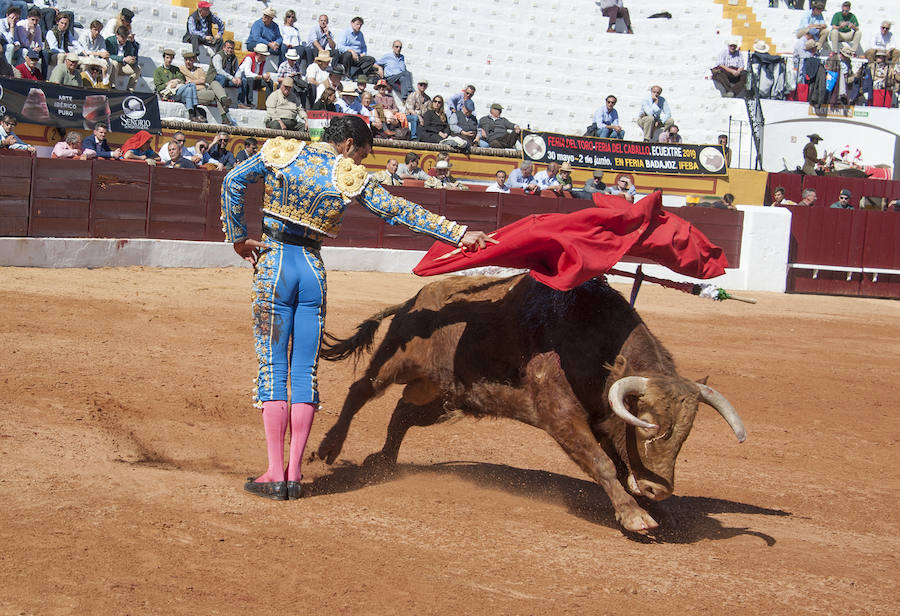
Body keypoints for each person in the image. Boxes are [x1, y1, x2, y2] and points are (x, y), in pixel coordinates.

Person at [221, 115, 492, 500]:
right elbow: (399, 210)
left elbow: (233, 182)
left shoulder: (282, 152)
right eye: (362, 154)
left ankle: (273, 473)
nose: (361, 163)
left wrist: (238, 239)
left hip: (274, 265)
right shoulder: (347, 175)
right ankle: (294, 473)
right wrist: (459, 234)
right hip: (312, 271)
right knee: (303, 373)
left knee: (273, 367)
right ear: (348, 144)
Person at [154, 49, 204, 123]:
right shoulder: (158, 71)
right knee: (191, 85)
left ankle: (191, 113)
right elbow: (158, 87)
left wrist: (176, 81)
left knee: (189, 89)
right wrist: (169, 83)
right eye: (167, 58)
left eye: (171, 58)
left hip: (177, 92)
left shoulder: (175, 69)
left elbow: (182, 80)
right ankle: (195, 109)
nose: (169, 60)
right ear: (164, 58)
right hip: (168, 94)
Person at [104, 24, 141, 91]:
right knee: (115, 63)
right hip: (111, 66)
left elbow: (134, 51)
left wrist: (132, 60)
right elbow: (109, 55)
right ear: (117, 35)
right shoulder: (110, 41)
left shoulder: (128, 43)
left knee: (137, 69)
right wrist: (123, 59)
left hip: (123, 66)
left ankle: (130, 89)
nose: (124, 39)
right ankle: (112, 86)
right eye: (122, 37)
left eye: (126, 37)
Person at [237, 43, 274, 109]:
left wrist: (266, 77)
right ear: (259, 55)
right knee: (250, 79)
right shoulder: (249, 58)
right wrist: (261, 77)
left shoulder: (263, 61)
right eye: (264, 55)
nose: (265, 57)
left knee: (270, 82)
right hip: (245, 79)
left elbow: (263, 72)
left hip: (256, 80)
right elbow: (247, 73)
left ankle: (269, 103)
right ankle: (249, 102)